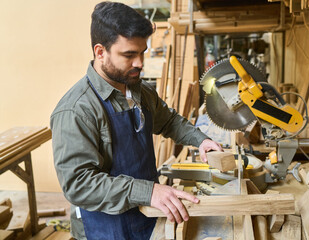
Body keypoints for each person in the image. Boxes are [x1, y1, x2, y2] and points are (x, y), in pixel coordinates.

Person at [50, 2, 222, 240]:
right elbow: (79, 184)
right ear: (100, 52)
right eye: (129, 55)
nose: (140, 63)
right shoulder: (76, 110)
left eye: (142, 52)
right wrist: (148, 191)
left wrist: (201, 140)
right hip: (104, 227)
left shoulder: (138, 89)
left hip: (147, 215)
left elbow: (169, 121)